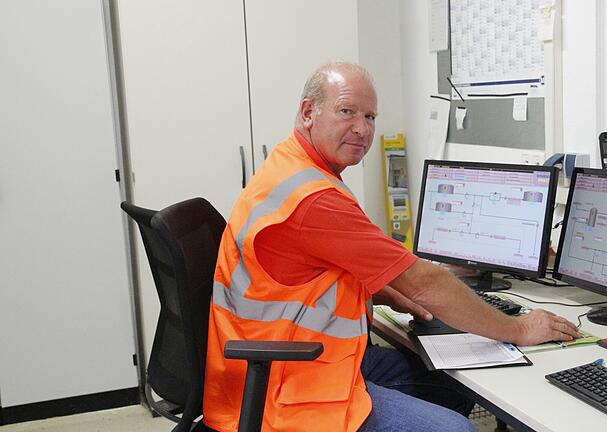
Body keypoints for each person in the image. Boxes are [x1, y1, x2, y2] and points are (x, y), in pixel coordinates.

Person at [201, 61, 580, 432]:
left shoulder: (292, 164)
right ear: (308, 113)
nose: (362, 129)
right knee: (457, 428)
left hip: (283, 366)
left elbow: (303, 274)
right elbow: (424, 281)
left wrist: (383, 291)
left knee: (448, 384)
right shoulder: (313, 197)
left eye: (370, 117)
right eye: (347, 111)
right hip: (285, 388)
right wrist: (516, 328)